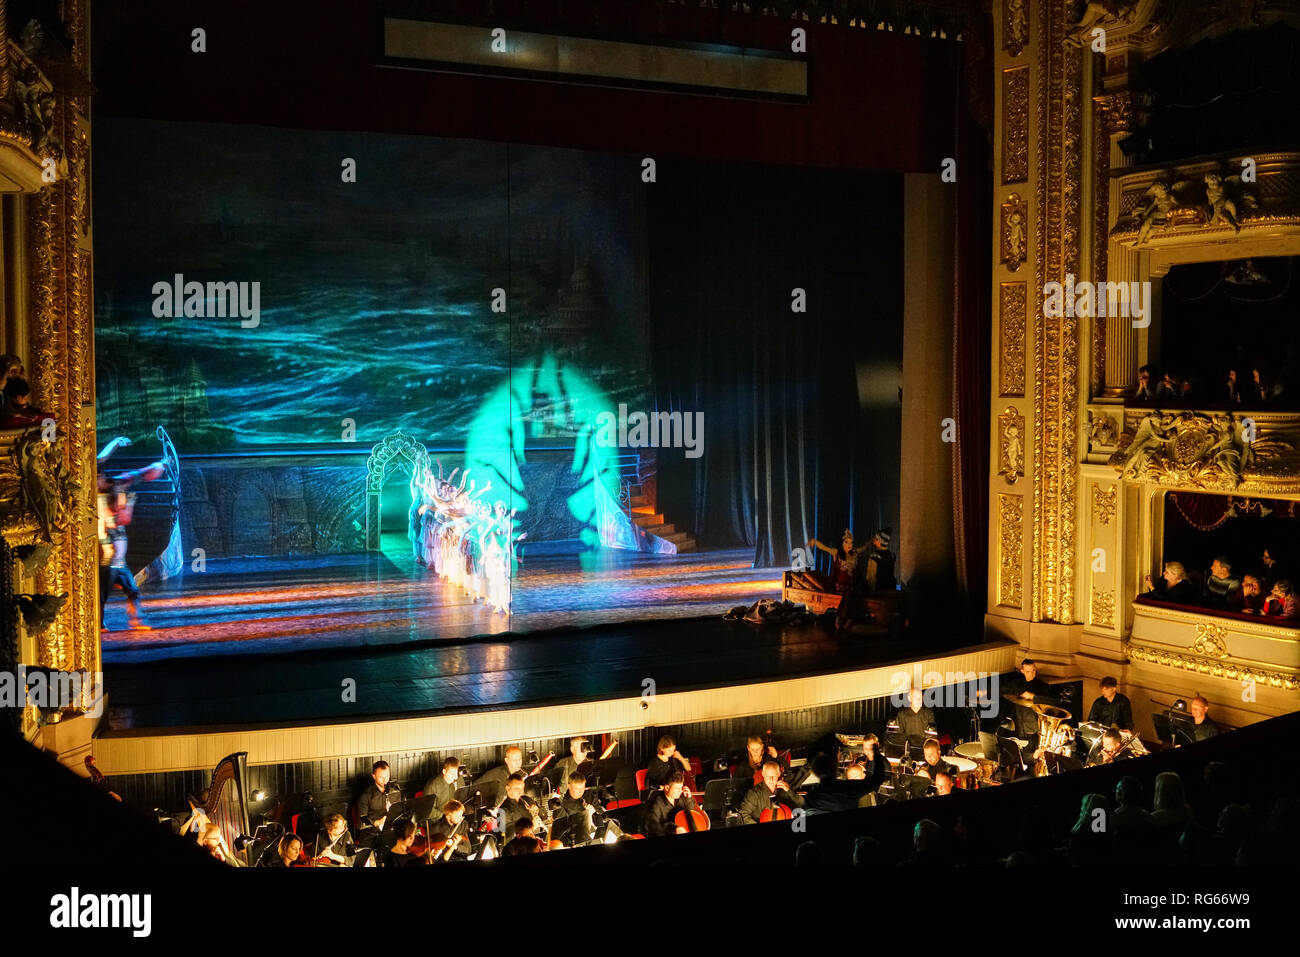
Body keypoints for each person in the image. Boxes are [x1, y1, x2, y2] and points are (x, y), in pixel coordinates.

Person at [96, 439, 167, 631]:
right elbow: (101, 457)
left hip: (118, 560)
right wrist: (116, 443)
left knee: (133, 590)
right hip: (107, 558)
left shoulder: (113, 488)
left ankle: (136, 620)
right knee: (102, 595)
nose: (101, 480)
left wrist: (159, 466)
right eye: (98, 477)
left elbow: (136, 476)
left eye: (101, 477)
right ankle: (99, 624)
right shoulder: (97, 500)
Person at [1003, 658, 1052, 750]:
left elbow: (1049, 701)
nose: (1031, 674)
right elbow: (1003, 691)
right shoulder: (1016, 684)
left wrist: (1034, 697)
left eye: (1033, 671)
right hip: (1019, 726)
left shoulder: (1042, 686)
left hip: (1034, 728)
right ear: (1022, 671)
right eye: (1028, 671)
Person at [738, 759, 804, 824]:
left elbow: (801, 804)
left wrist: (789, 790)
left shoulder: (784, 788)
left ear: (779, 774)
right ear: (763, 774)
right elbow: (743, 814)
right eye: (767, 776)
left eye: (773, 776)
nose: (771, 780)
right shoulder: (754, 793)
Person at [641, 771, 701, 837]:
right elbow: (652, 824)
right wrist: (673, 829)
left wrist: (689, 798)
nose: (680, 791)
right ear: (667, 788)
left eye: (681, 787)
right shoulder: (657, 802)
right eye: (677, 788)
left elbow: (690, 812)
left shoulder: (680, 796)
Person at [550, 772, 602, 846]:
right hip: (580, 839)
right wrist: (588, 814)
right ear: (569, 786)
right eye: (577, 788)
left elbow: (600, 812)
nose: (581, 791)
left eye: (583, 788)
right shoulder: (563, 804)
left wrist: (595, 810)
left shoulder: (588, 795)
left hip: (597, 831)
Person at [497, 772, 540, 840]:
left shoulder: (526, 799)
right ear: (508, 788)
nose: (520, 792)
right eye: (517, 789)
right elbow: (505, 839)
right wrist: (531, 828)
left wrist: (537, 809)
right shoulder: (503, 810)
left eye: (522, 788)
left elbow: (543, 814)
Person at [357, 760, 394, 830]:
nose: (385, 780)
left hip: (393, 826)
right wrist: (378, 822)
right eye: (381, 777)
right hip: (374, 831)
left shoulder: (394, 789)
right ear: (374, 776)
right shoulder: (366, 795)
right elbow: (363, 820)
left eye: (387, 776)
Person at [863, 528, 896, 593]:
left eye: (875, 538)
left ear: (880, 541)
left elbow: (871, 578)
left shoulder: (874, 556)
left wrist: (871, 593)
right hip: (890, 590)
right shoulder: (892, 555)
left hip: (879, 591)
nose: (873, 540)